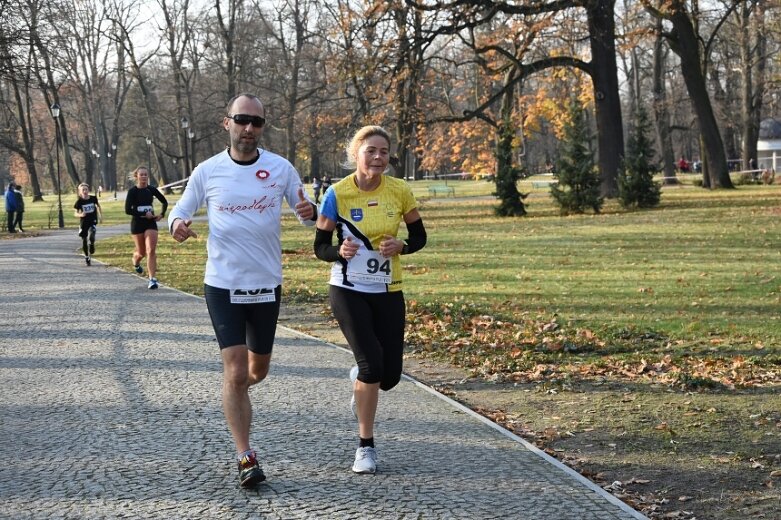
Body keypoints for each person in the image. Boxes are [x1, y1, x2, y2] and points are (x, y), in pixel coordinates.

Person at [167, 93, 316, 488]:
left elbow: (307, 212)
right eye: (242, 120)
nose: (249, 128)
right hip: (222, 285)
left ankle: (233, 394)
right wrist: (177, 225)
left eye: (256, 122)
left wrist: (310, 212)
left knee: (256, 371)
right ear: (227, 122)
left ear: (262, 127)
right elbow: (180, 209)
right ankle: (245, 456)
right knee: (234, 370)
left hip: (266, 284)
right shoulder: (208, 170)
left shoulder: (281, 169)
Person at [313, 125, 427, 475]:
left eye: (383, 151)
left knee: (389, 376)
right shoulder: (336, 193)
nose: (378, 157)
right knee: (372, 367)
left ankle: (362, 379)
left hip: (389, 290)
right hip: (348, 290)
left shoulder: (400, 191)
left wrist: (402, 246)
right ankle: (365, 447)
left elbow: (420, 236)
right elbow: (320, 247)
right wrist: (339, 251)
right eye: (370, 151)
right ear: (356, 155)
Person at [125, 166, 168, 289]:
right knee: (141, 253)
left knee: (151, 250)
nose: (144, 177)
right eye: (141, 174)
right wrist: (144, 214)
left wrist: (161, 214)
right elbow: (128, 210)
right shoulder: (132, 191)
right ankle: (136, 262)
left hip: (151, 223)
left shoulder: (151, 190)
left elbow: (164, 202)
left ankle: (152, 279)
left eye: (145, 174)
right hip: (137, 224)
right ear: (136, 176)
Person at [73, 183, 102, 266]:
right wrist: (80, 215)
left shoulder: (93, 198)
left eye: (86, 189)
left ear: (88, 190)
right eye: (83, 190)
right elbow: (75, 213)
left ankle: (92, 244)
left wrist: (100, 216)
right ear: (80, 192)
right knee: (84, 240)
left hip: (92, 219)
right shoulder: (79, 201)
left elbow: (98, 206)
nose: (85, 191)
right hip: (84, 222)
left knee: (92, 232)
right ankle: (87, 256)